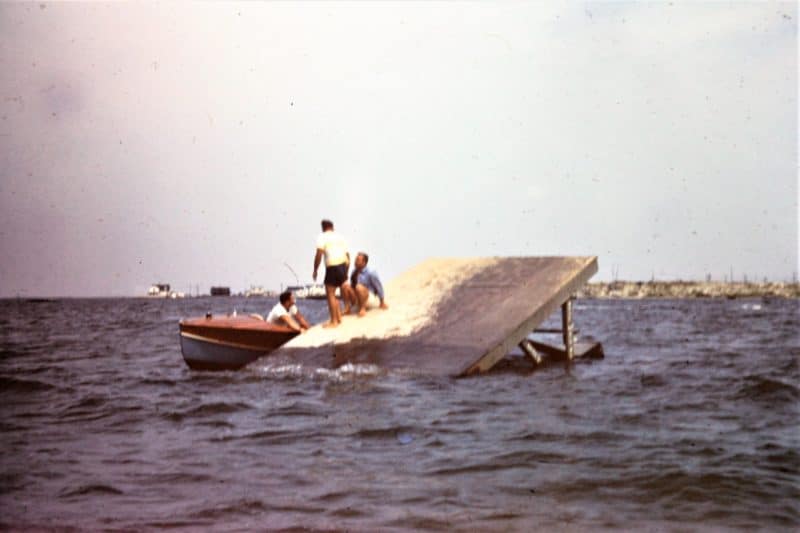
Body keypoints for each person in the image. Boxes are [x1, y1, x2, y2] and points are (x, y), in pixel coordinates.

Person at [312, 219, 349, 328]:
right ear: (332, 227)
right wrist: (346, 270)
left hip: (332, 265)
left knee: (330, 294)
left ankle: (334, 322)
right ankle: (338, 317)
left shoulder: (322, 237)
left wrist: (315, 270)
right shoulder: (340, 236)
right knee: (336, 292)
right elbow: (347, 255)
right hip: (343, 264)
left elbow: (319, 254)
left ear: (323, 228)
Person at [341, 251, 388, 317]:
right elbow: (352, 286)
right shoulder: (354, 271)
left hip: (369, 299)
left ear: (364, 262)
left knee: (359, 287)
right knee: (344, 285)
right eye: (355, 259)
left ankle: (362, 309)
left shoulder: (371, 272)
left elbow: (378, 286)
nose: (355, 262)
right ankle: (347, 309)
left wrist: (382, 302)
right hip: (358, 298)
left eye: (358, 260)